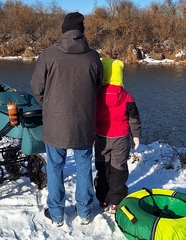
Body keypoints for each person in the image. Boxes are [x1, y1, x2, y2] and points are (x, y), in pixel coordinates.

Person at [30, 12, 103, 226]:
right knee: (83, 166)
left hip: (55, 123)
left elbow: (36, 87)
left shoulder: (48, 55)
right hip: (83, 124)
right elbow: (96, 87)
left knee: (55, 166)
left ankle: (57, 214)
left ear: (63, 31)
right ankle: (84, 212)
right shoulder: (93, 57)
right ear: (82, 32)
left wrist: (49, 105)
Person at [94, 57, 141, 214]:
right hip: (121, 139)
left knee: (103, 169)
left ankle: (103, 200)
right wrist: (136, 136)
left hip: (101, 137)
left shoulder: (96, 94)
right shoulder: (127, 97)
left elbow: (88, 114)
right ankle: (116, 202)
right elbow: (134, 118)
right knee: (118, 170)